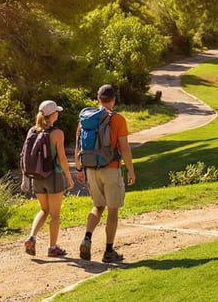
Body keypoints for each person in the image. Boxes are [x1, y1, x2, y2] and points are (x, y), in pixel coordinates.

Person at [75, 84, 135, 263]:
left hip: (92, 169)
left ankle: (86, 238)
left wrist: (79, 169)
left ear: (97, 99)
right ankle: (109, 251)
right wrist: (131, 170)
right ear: (114, 99)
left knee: (97, 206)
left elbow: (78, 147)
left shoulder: (85, 119)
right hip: (111, 167)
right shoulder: (117, 119)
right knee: (112, 210)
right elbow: (124, 148)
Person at [22, 100, 75, 257]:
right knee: (55, 214)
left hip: (37, 177)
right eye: (56, 112)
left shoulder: (32, 131)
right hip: (53, 176)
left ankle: (31, 237)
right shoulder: (57, 133)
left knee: (43, 210)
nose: (58, 113)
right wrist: (69, 178)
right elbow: (63, 159)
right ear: (53, 115)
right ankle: (52, 247)